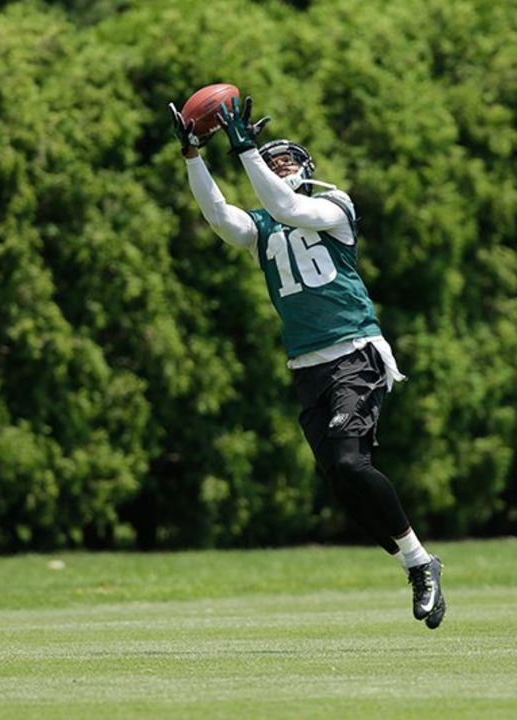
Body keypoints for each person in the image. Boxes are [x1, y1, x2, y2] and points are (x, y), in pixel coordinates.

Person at [167, 95, 445, 629]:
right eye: (271, 163)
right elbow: (222, 218)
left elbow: (289, 209)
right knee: (343, 484)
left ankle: (420, 563)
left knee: (348, 463)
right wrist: (193, 155)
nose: (279, 167)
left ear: (309, 169)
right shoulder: (263, 228)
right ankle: (416, 560)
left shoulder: (334, 206)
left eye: (287, 161)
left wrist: (246, 149)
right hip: (307, 368)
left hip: (355, 353)